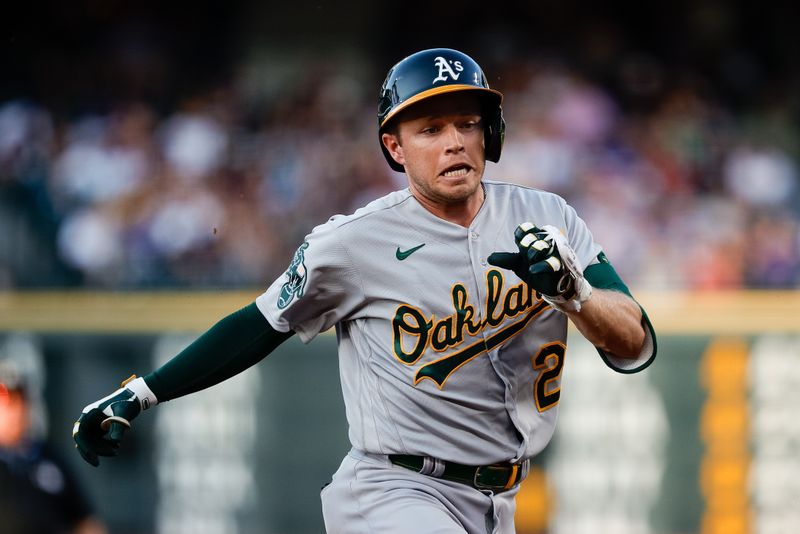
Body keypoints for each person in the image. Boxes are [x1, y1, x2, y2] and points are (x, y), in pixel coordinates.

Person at [73, 48, 656, 534]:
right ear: (395, 148)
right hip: (394, 492)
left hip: (498, 500)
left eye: (467, 124)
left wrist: (574, 292)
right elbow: (257, 324)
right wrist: (142, 392)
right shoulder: (353, 243)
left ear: (491, 133)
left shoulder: (548, 216)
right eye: (430, 128)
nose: (454, 141)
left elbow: (635, 344)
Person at [0, 355, 107, 534]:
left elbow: (86, 522)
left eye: (19, 402)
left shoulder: (49, 458)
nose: (15, 411)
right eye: (6, 404)